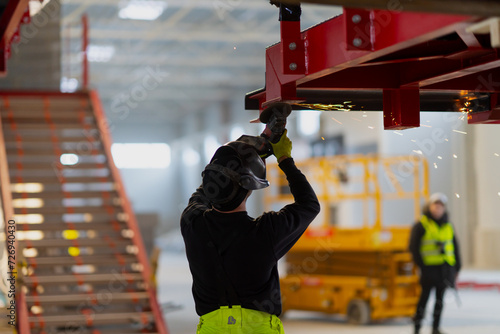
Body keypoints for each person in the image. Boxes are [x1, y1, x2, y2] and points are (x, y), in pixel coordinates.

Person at [181, 131, 320, 334]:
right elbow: (309, 205)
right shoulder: (267, 231)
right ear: (249, 188)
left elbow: (203, 192)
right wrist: (284, 159)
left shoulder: (191, 223)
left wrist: (240, 160)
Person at [409, 193, 462, 334]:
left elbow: (455, 247)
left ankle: (435, 328)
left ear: (444, 209)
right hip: (428, 270)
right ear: (429, 207)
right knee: (423, 300)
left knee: (440, 300)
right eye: (435, 206)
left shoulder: (448, 226)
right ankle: (417, 328)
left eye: (440, 207)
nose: (438, 210)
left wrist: (457, 268)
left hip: (444, 270)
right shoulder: (421, 225)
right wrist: (421, 265)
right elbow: (413, 248)